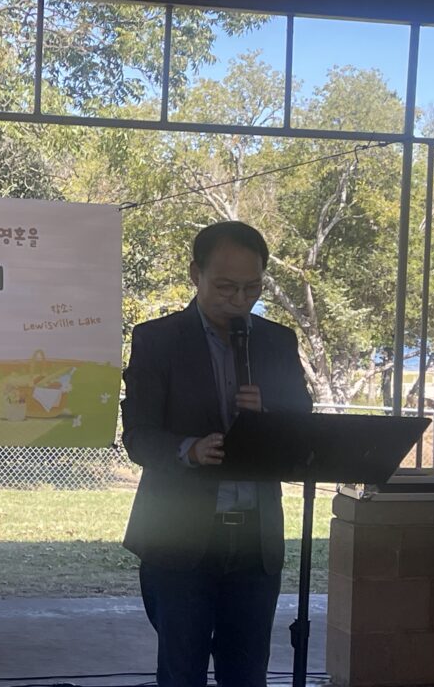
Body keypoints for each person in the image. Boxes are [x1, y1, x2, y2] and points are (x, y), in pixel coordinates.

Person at [121, 221, 312, 687]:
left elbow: (302, 426)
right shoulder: (157, 339)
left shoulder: (278, 341)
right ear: (196, 274)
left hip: (254, 540)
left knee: (246, 673)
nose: (239, 300)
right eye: (226, 287)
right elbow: (138, 435)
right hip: (180, 540)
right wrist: (188, 449)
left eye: (252, 288)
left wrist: (269, 412)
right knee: (181, 673)